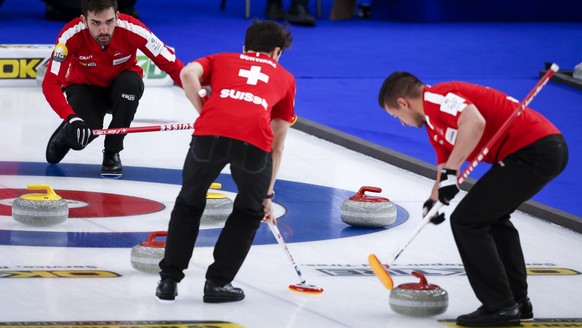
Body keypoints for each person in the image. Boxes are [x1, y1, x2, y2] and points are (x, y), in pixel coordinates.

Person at [378, 72, 568, 327]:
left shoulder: (437, 97)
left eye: (395, 116)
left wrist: (451, 174)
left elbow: (474, 122)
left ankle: (500, 306)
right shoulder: (434, 124)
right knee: (492, 219)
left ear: (403, 103)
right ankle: (516, 302)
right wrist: (434, 200)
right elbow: (444, 164)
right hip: (533, 153)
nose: (400, 123)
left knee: (468, 221)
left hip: (534, 150)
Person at [155, 20, 296, 303]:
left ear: (245, 48)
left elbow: (187, 73)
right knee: (248, 211)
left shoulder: (222, 59)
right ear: (277, 53)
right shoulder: (286, 78)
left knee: (189, 203)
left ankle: (169, 281)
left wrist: (204, 110)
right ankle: (217, 284)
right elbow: (277, 144)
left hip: (209, 135)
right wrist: (266, 195)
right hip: (254, 143)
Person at [42, 0, 184, 178]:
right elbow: (51, 83)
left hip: (122, 85)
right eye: (96, 23)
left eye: (109, 21)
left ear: (117, 17)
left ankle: (112, 152)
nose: (104, 30)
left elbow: (173, 65)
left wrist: (204, 102)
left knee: (130, 85)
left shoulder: (134, 29)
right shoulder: (69, 35)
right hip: (85, 87)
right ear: (83, 20)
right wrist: (70, 117)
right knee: (81, 138)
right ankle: (68, 130)